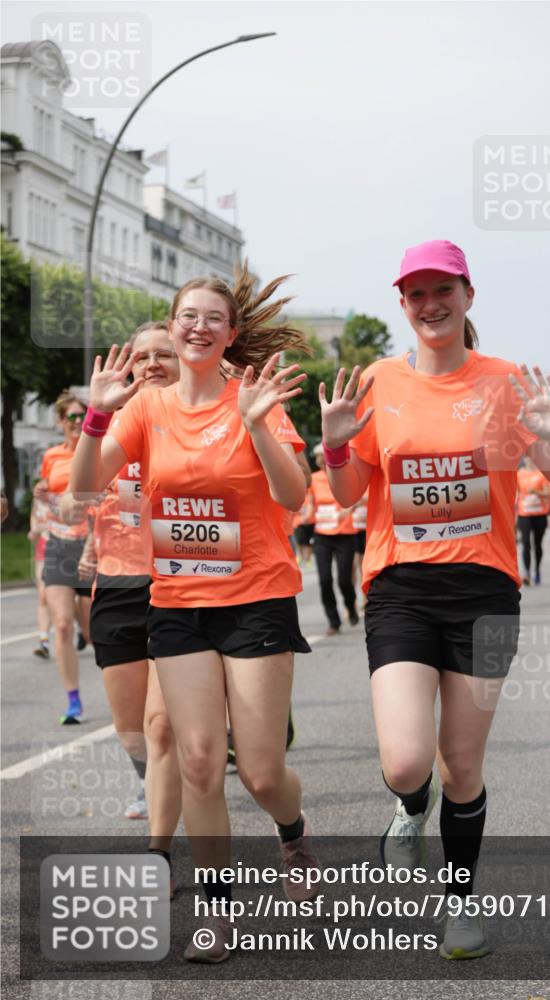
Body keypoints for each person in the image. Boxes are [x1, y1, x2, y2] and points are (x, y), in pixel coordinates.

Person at [318, 240, 550, 960]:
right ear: (401, 304)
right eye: (415, 294)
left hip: (488, 592)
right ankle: (408, 811)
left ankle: (459, 905)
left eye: (443, 291)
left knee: (461, 765)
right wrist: (335, 447)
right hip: (399, 589)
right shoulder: (376, 382)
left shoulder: (505, 383)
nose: (429, 305)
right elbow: (344, 494)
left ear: (467, 295)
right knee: (408, 763)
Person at [70, 265, 320, 963]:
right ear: (173, 327)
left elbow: (295, 495)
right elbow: (86, 484)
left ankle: (293, 829)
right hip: (178, 602)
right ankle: (216, 913)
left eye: (214, 317)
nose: (199, 327)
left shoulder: (256, 399)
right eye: (188, 316)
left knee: (263, 773)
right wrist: (97, 415)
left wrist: (256, 426)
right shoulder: (146, 409)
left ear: (229, 334)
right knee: (201, 761)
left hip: (256, 599)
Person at [79, 322, 182, 838]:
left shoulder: (201, 423)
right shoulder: (112, 426)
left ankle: (160, 845)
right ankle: (151, 776)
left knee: (161, 725)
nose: (153, 364)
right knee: (131, 730)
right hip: (119, 584)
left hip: (185, 585)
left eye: (165, 353)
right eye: (142, 357)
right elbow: (82, 493)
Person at [36, 391, 94, 723]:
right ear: (61, 421)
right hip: (59, 544)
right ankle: (73, 700)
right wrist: (40, 496)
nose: (77, 422)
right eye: (71, 417)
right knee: (60, 624)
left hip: (91, 546)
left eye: (82, 416)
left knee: (92, 631)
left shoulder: (96, 451)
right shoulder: (51, 456)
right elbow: (47, 493)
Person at [311, 442, 359, 635]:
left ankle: (351, 605)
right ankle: (333, 621)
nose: (319, 460)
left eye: (321, 456)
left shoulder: (342, 475)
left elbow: (356, 494)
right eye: (317, 457)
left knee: (344, 580)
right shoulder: (313, 479)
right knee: (324, 580)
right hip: (322, 535)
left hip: (344, 535)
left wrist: (349, 509)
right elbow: (306, 502)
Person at [516, 457, 550, 585]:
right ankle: (526, 572)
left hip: (539, 514)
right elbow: (516, 493)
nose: (530, 460)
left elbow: (548, 494)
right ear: (524, 459)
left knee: (537, 545)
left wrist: (536, 492)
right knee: (525, 543)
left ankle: (537, 569)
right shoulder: (520, 474)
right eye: (527, 457)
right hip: (524, 513)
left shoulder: (541, 474)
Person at [28, 485, 52, 658]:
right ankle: (44, 641)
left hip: (66, 547)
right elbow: (35, 516)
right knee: (43, 595)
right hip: (43, 549)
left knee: (67, 598)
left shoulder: (65, 486)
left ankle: (82, 629)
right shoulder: (38, 494)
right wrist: (34, 529)